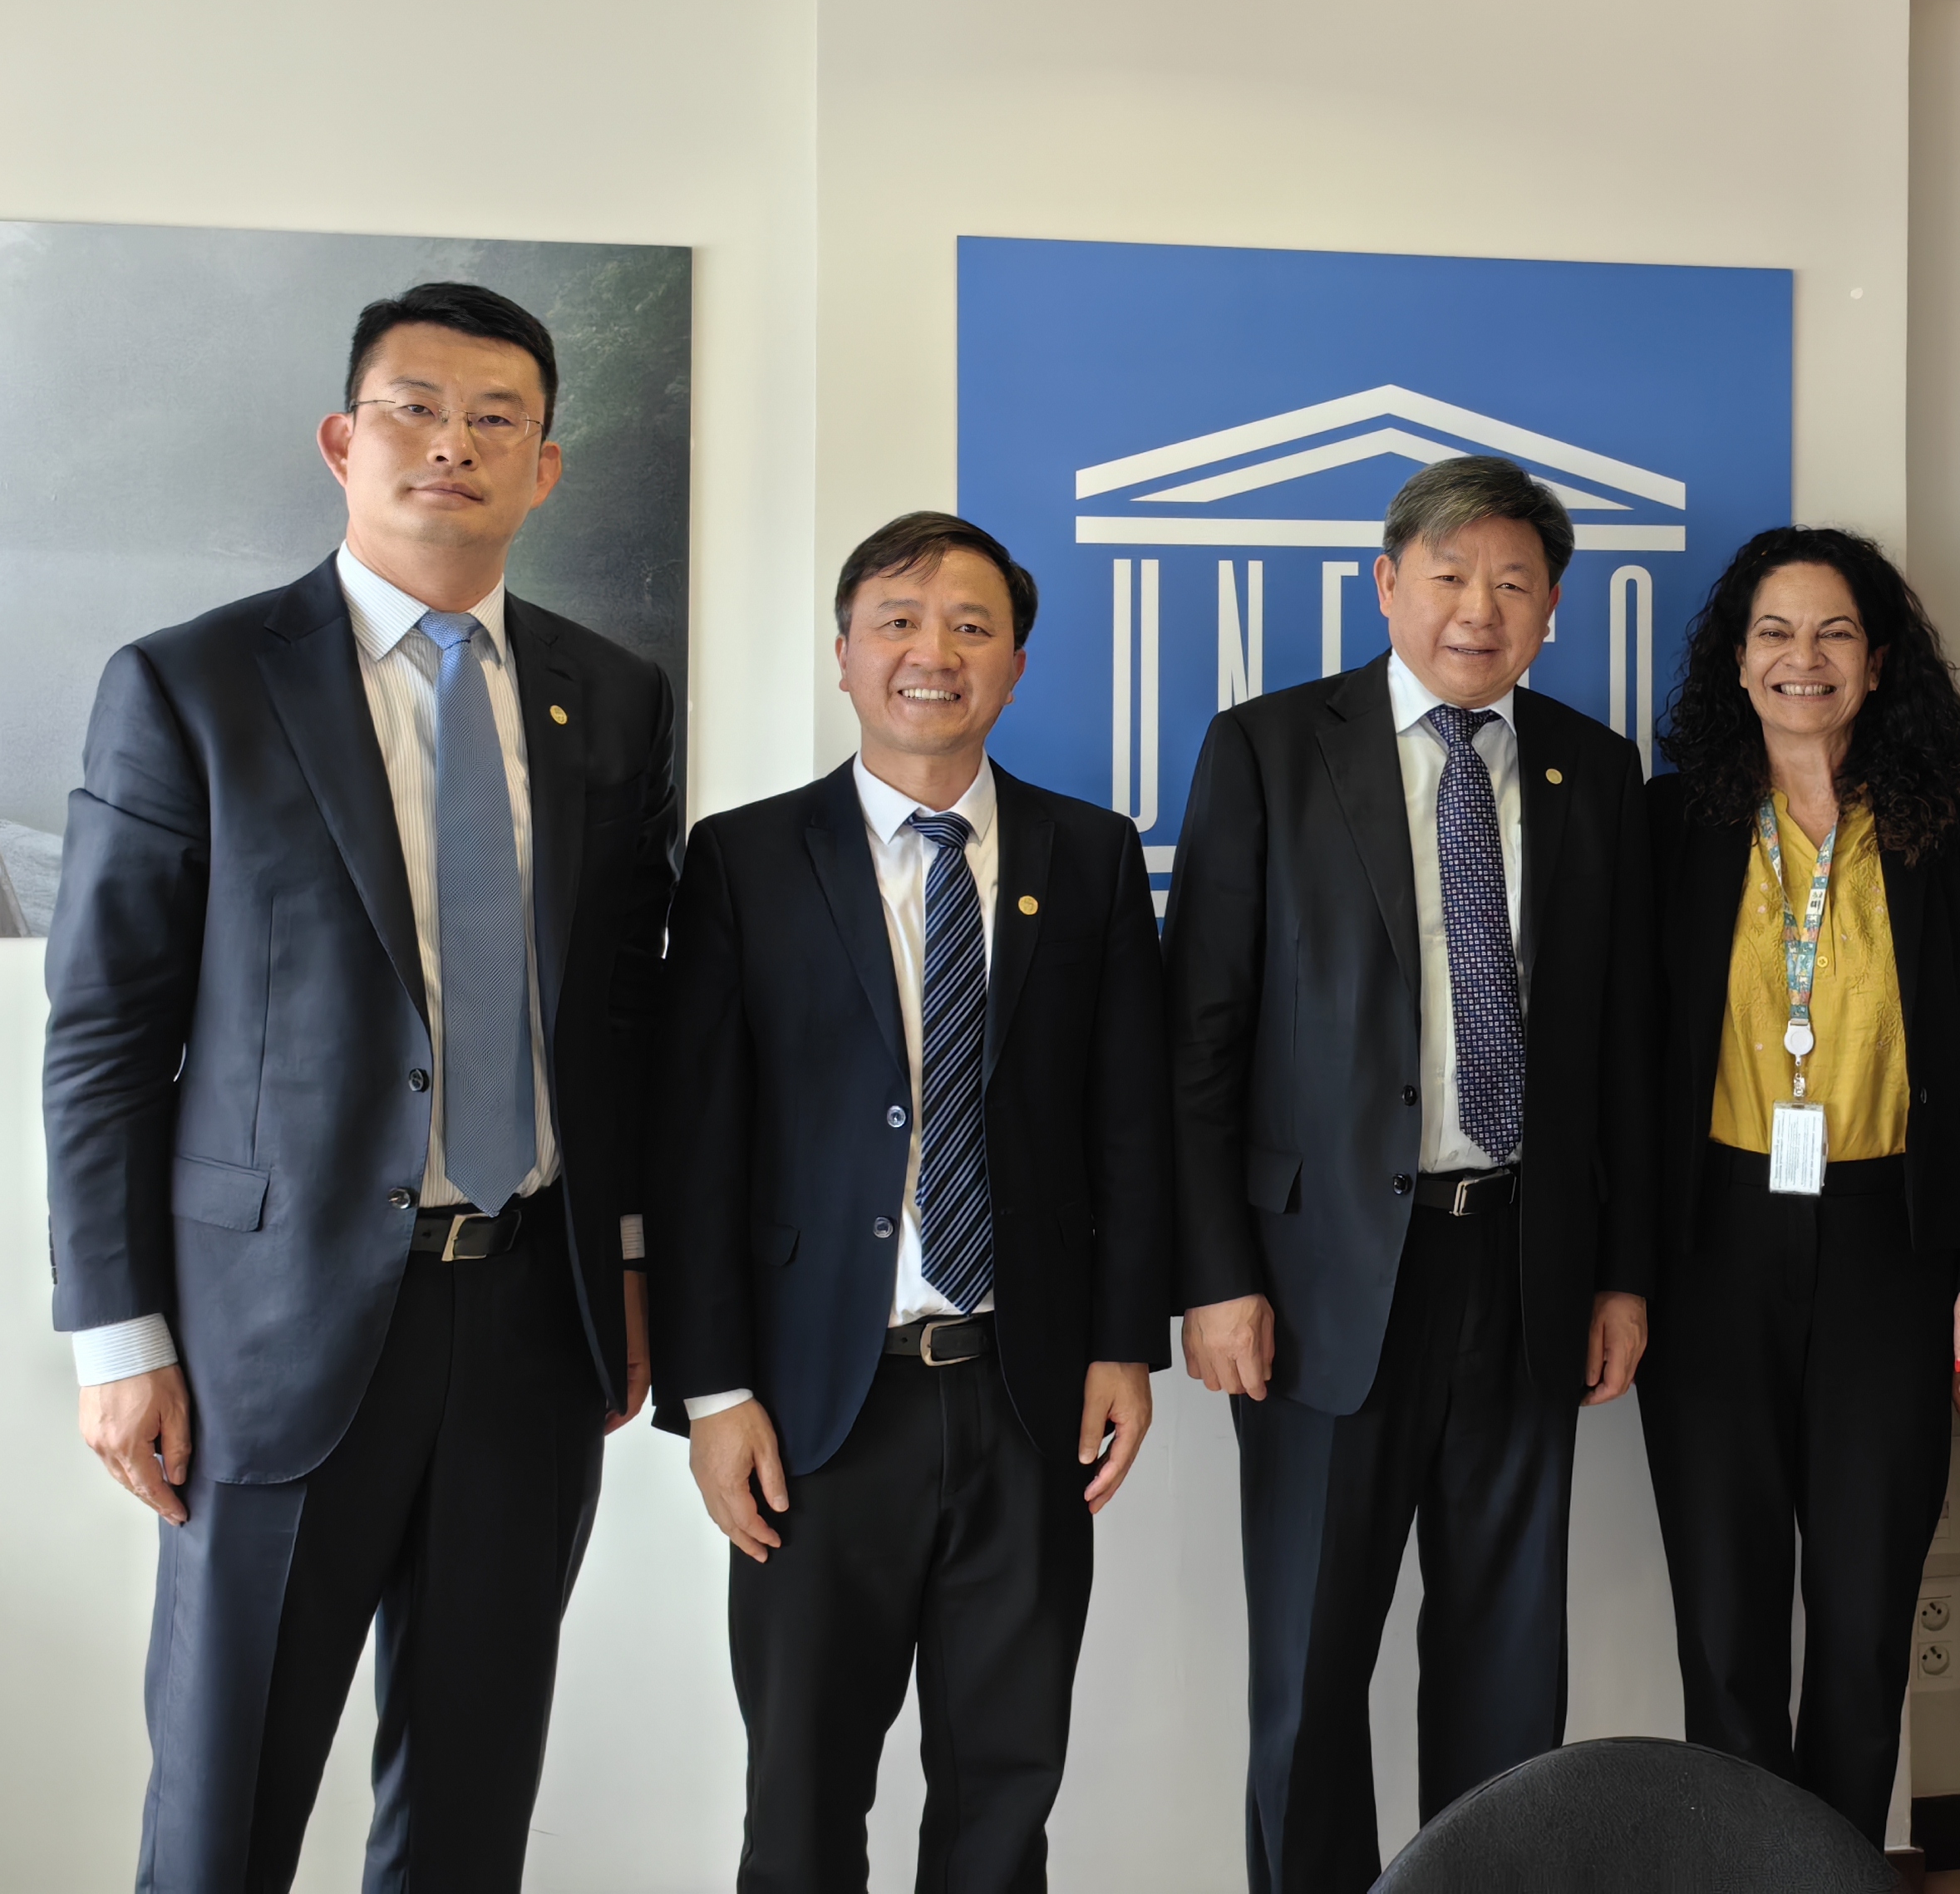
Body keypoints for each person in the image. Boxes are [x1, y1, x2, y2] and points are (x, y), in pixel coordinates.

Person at [43, 283, 677, 1889]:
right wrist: (119, 1338)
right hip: (268, 1335)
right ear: (344, 441)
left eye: (497, 419)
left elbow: (621, 1016)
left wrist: (628, 1265)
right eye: (415, 408)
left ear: (545, 467)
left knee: (469, 1806)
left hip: (530, 1321)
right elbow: (105, 1034)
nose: (452, 444)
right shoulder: (192, 684)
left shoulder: (612, 698)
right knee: (225, 1808)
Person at [652, 512, 1171, 1891]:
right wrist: (714, 1394)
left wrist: (1124, 1344)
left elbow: (1130, 1124)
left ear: (1014, 666)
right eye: (897, 621)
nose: (931, 651)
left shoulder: (1089, 855)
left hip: (1026, 1392)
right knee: (802, 1800)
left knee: (1004, 1793)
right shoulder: (746, 860)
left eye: (970, 626)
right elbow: (695, 1148)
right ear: (844, 653)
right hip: (816, 1413)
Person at [1166, 455, 1657, 1894]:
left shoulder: (1594, 769)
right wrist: (1215, 1277)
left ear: (1552, 609)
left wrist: (1621, 1272)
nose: (1476, 610)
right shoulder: (1268, 749)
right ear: (1387, 585)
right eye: (1448, 576)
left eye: (1513, 583)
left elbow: (1624, 1047)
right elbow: (1199, 1037)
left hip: (1524, 1264)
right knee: (1311, 1670)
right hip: (1317, 1281)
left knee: (1509, 1665)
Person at [1638, 526, 1960, 1842]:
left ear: (1879, 662)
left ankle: (1840, 1869)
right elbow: (1625, 1054)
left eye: (1835, 633)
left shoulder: (1942, 825)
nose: (1802, 659)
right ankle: (1746, 1874)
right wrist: (1620, 1273)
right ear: (1735, 659)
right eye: (1774, 632)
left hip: (1891, 1247)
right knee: (1726, 1618)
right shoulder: (1674, 822)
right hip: (1711, 1245)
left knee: (1865, 1618)